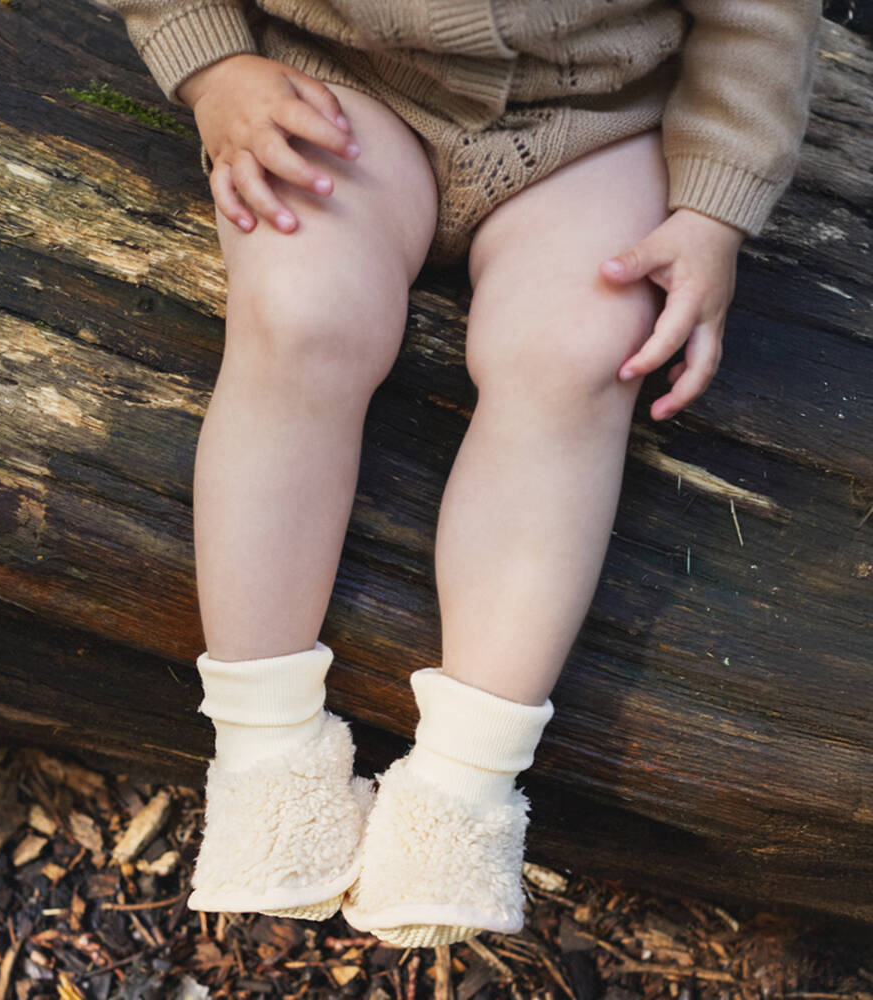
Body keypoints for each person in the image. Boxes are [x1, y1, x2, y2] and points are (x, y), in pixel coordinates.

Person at [96, 0, 823, 948]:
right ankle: (265, 750)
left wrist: (712, 206)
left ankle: (465, 788)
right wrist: (210, 63)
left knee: (580, 355)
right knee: (301, 316)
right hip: (340, 81)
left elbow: (763, 16)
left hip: (597, 121)